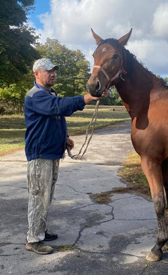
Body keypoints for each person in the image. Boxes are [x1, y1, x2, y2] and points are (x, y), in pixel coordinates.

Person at [24, 58, 106, 254]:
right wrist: (87, 98)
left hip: (51, 152)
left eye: (54, 71)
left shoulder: (49, 93)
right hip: (40, 155)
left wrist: (65, 137)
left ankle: (40, 230)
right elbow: (58, 106)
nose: (52, 74)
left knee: (46, 196)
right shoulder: (35, 96)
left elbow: (55, 117)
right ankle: (33, 239)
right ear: (36, 74)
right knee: (39, 197)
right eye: (48, 71)